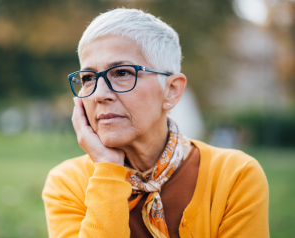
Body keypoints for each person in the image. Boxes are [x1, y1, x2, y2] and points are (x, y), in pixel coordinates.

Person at [42, 8, 269, 238]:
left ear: (171, 90)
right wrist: (108, 169)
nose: (99, 94)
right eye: (88, 78)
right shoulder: (67, 183)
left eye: (121, 72)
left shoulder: (234, 176)